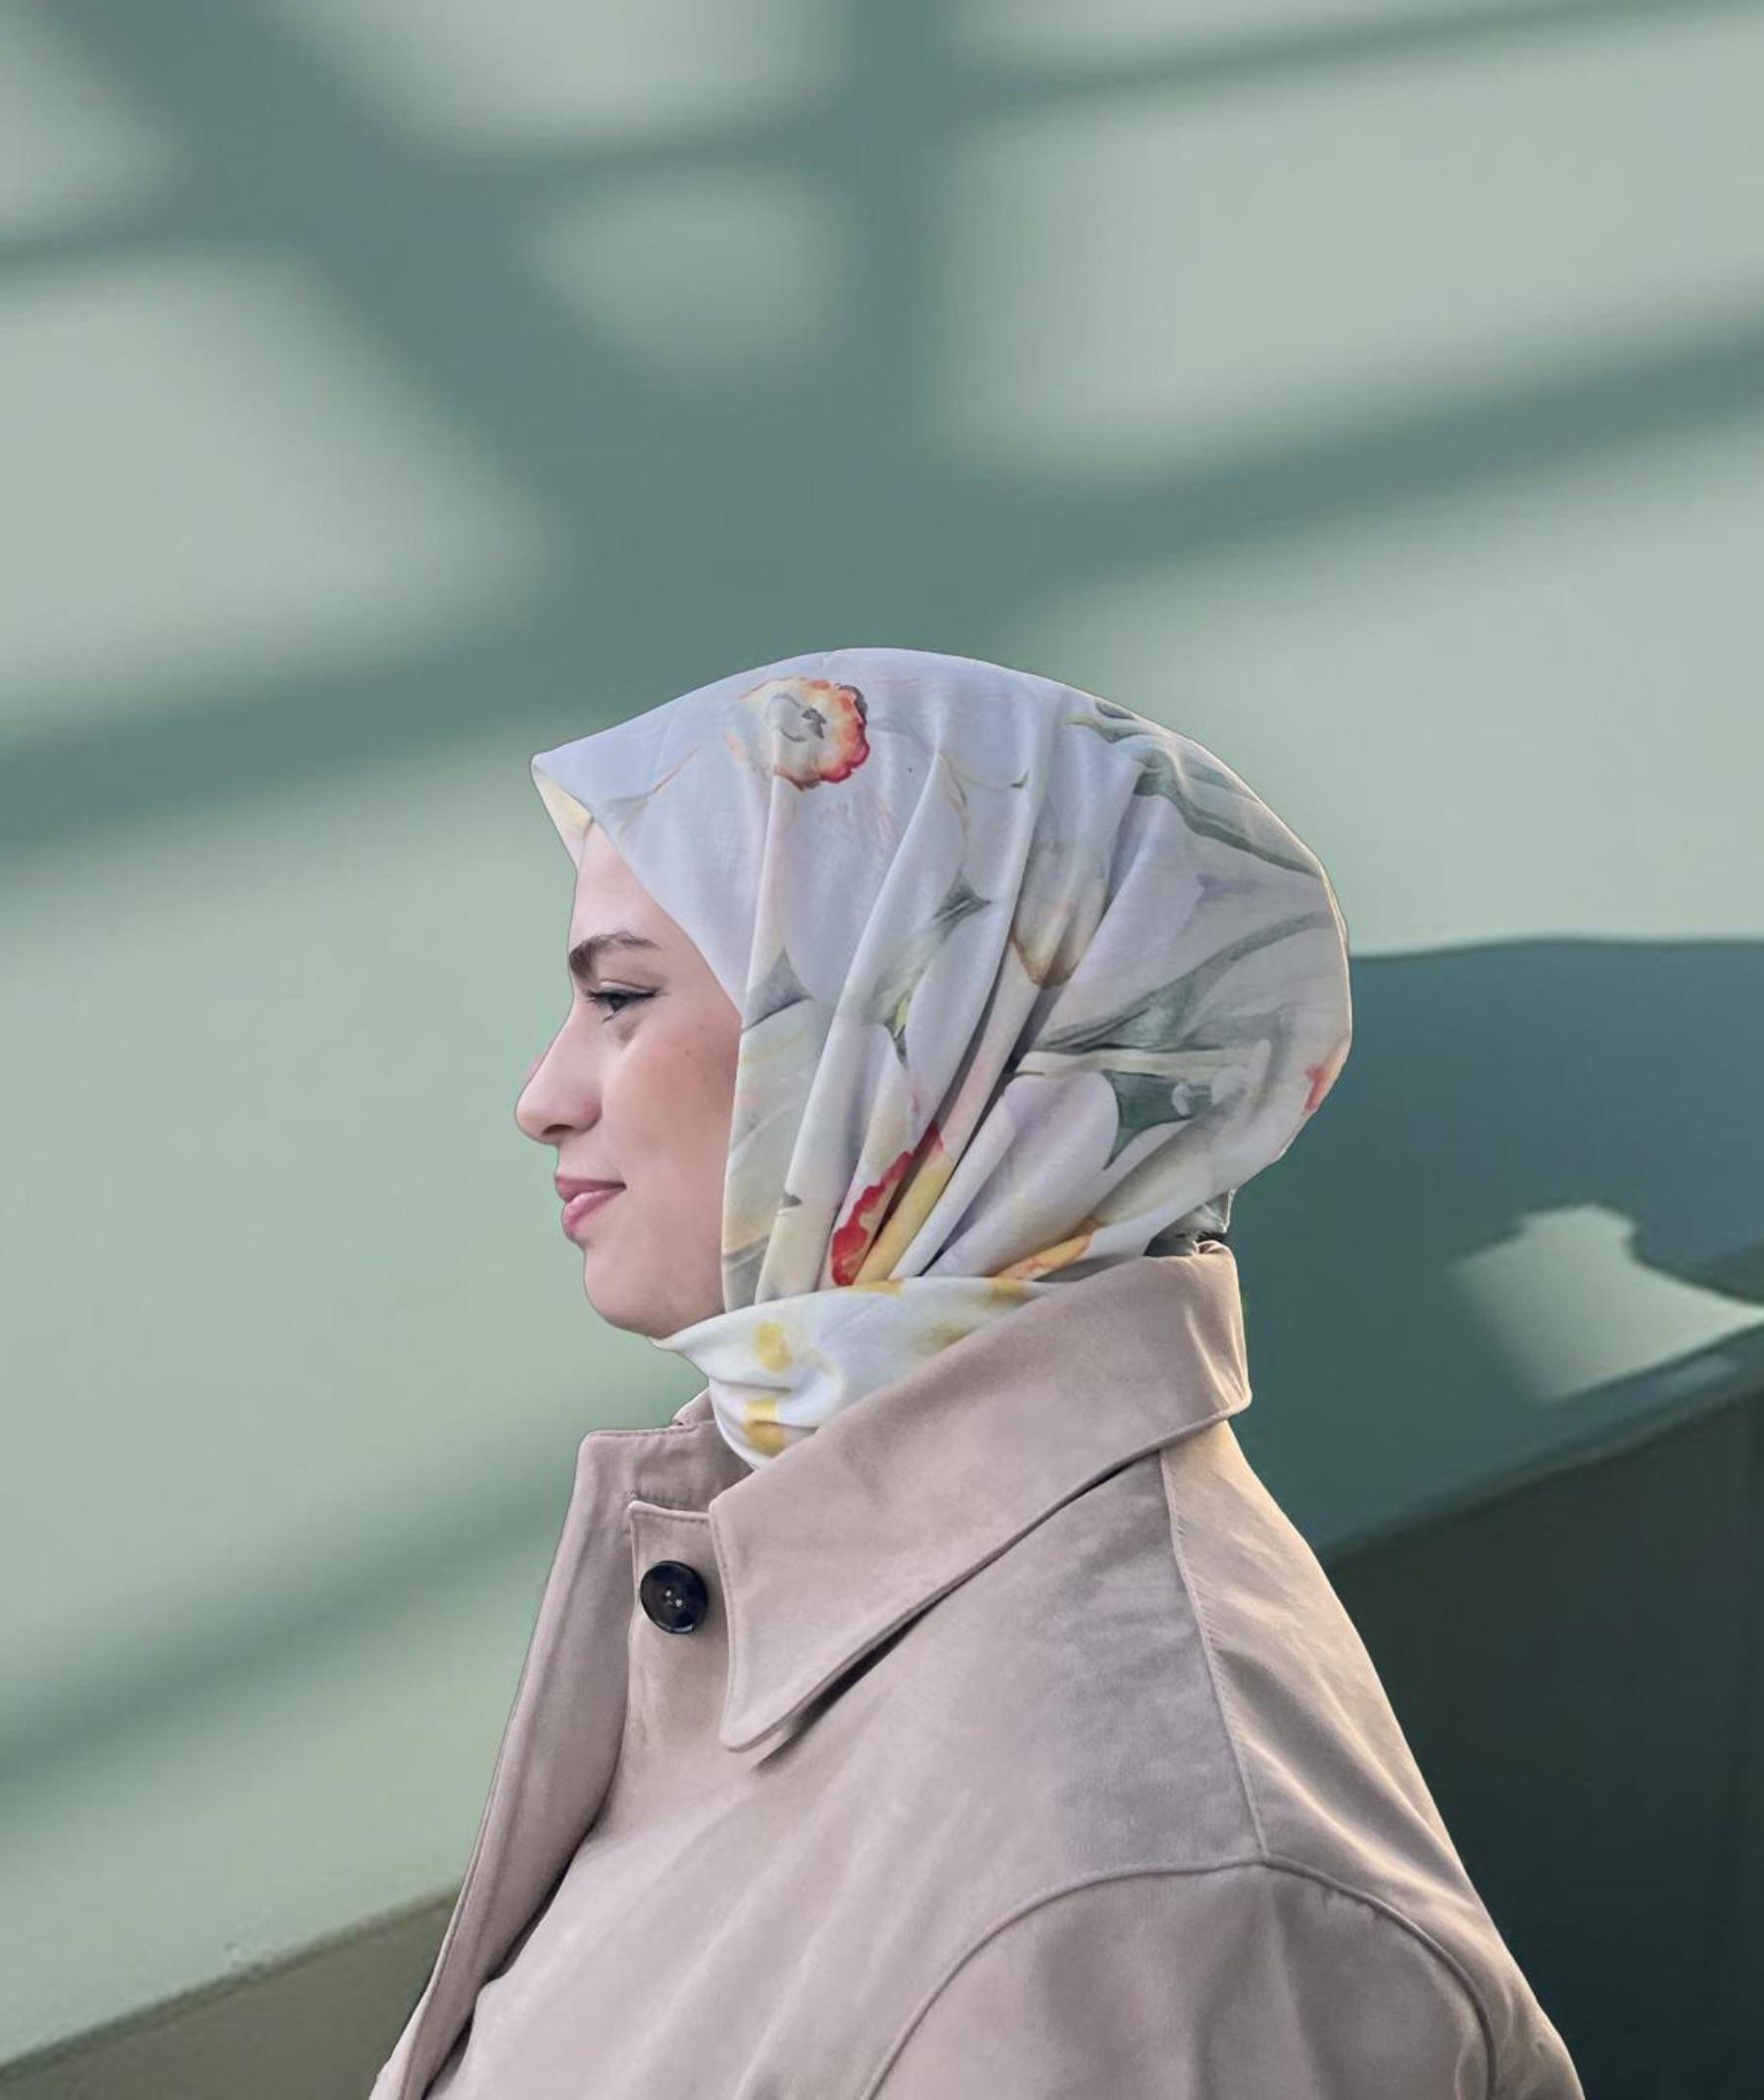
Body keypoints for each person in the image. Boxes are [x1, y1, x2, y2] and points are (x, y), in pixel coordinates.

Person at [369, 646, 1585, 2098]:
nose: (542, 1097)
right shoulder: (802, 1540)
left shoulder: (1154, 1905)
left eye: (621, 996)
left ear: (922, 1037)